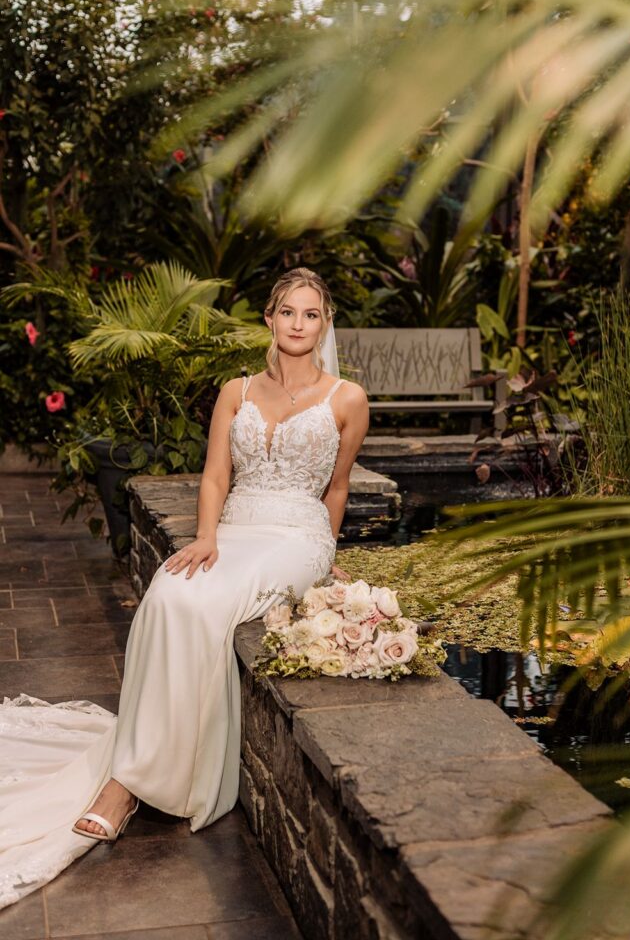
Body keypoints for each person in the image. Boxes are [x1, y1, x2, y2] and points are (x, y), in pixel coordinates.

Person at [0, 267, 369, 907]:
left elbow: (336, 489)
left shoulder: (348, 399)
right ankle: (141, 762)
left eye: (312, 315)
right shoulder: (236, 390)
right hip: (237, 524)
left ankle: (129, 785)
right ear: (269, 318)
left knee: (213, 602)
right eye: (288, 312)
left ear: (325, 322)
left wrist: (327, 556)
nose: (299, 325)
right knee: (172, 594)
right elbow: (214, 477)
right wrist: (205, 536)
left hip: (297, 538)